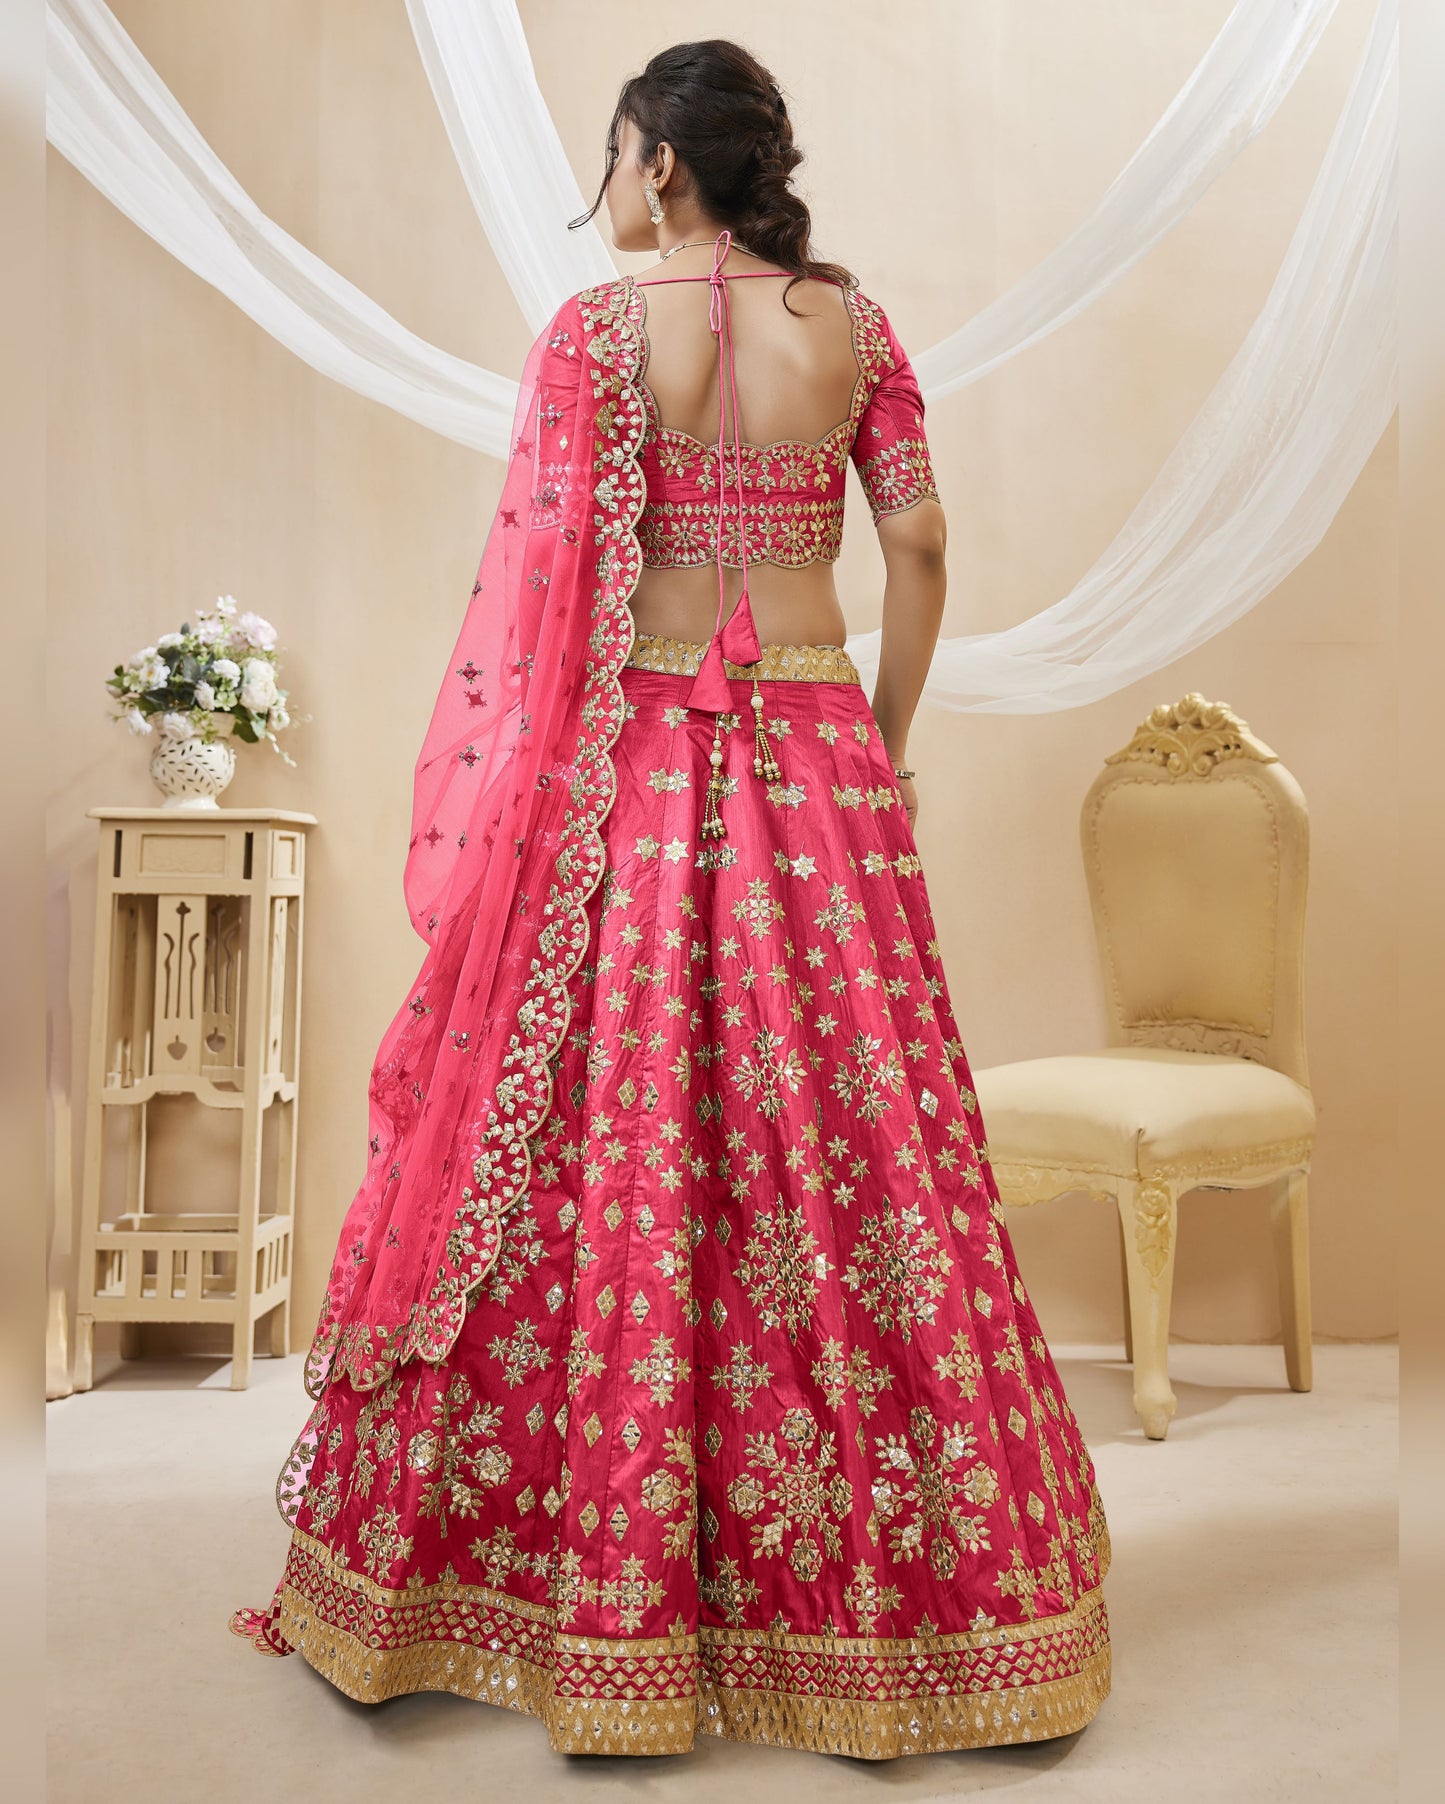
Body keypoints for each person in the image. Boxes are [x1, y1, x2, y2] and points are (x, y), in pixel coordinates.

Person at [230, 38, 1111, 1760]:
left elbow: (546, 590)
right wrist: (881, 737)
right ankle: (919, 1617)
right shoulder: (850, 327)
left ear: (660, 162)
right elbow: (920, 546)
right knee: (856, 1144)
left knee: (606, 1134)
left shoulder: (591, 336)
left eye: (617, 153)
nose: (610, 184)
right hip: (818, 758)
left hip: (631, 772)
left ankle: (551, 1589)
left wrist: (531, 792)